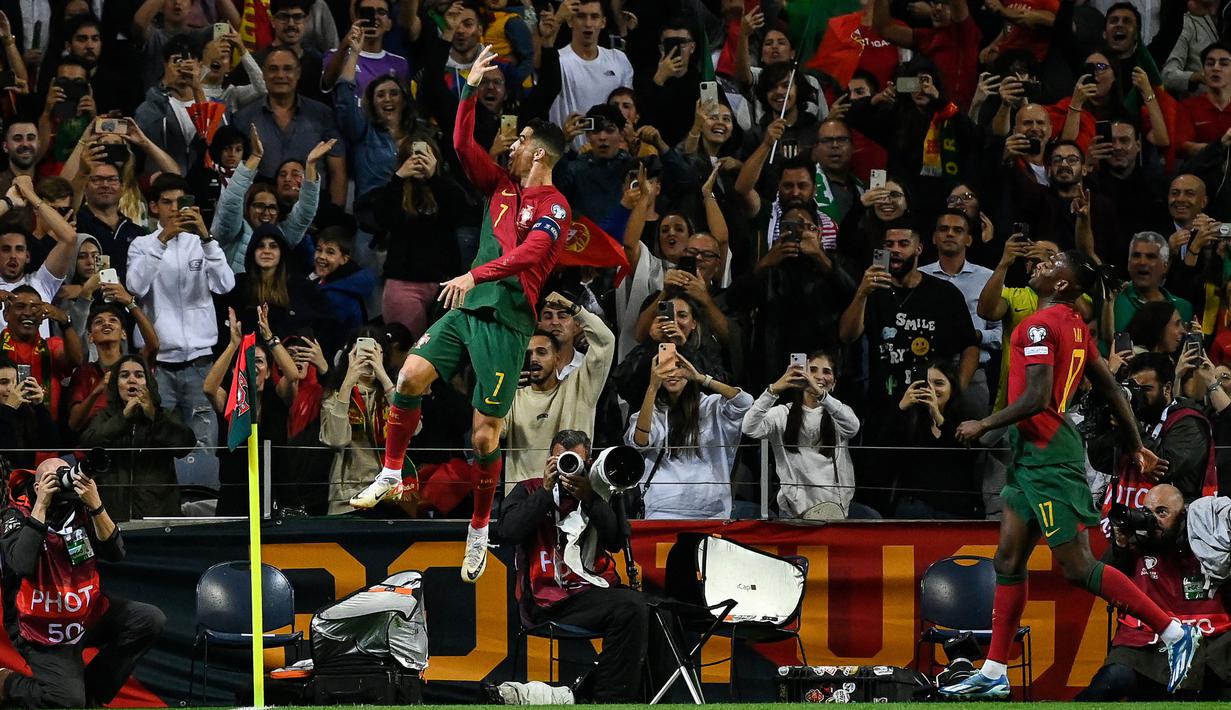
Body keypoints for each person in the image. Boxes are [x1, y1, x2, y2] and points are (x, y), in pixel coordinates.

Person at [939, 250, 1202, 698]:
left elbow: (1038, 397)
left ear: (1061, 285)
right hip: (1030, 455)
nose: (1043, 262)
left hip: (1048, 455)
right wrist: (1136, 445)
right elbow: (1110, 386)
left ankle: (1174, 632)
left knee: (1079, 567)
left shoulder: (1039, 326)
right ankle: (995, 671)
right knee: (1008, 561)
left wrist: (984, 423)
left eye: (1054, 262)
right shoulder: (1074, 325)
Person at [356, 46, 571, 583]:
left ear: (538, 153)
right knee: (409, 376)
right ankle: (390, 472)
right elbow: (459, 144)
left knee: (483, 438)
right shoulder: (500, 187)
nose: (511, 145)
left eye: (520, 141)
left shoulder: (555, 206)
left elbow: (531, 254)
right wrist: (468, 88)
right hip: (467, 309)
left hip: (507, 322)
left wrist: (476, 275)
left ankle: (478, 528)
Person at [494, 429, 670, 702]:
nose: (567, 469)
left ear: (588, 463)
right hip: (549, 600)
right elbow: (508, 532)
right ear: (548, 460)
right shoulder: (529, 489)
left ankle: (655, 699)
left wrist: (591, 498)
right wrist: (545, 492)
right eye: (560, 461)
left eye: (573, 461)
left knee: (661, 610)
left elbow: (615, 541)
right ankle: (610, 702)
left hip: (594, 591)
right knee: (630, 607)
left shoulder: (601, 490)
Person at [0, 457, 165, 707]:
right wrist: (41, 506)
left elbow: (116, 553)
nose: (64, 488)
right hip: (40, 626)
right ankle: (6, 684)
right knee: (66, 701)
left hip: (86, 613)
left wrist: (96, 505)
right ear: (37, 487)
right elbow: (21, 564)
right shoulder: (16, 513)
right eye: (55, 482)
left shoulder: (79, 507)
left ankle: (91, 696)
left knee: (148, 620)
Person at [1079, 485, 1231, 699]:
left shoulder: (1209, 542)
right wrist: (1120, 544)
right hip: (1145, 645)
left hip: (1211, 642)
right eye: (1147, 512)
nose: (1152, 520)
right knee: (1112, 679)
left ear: (1183, 515)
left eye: (1162, 512)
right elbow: (1104, 581)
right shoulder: (1134, 543)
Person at [126, 174, 236, 451]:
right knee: (156, 444)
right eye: (167, 202)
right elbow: (135, 287)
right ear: (154, 207)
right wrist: (163, 239)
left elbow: (225, 285)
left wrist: (207, 238)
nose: (175, 209)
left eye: (180, 202)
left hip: (201, 363)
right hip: (158, 365)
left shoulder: (202, 243)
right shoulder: (142, 244)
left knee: (204, 445)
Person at [502, 293, 614, 488]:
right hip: (523, 497)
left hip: (570, 492)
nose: (534, 359)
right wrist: (499, 391)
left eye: (541, 352)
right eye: (529, 354)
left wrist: (575, 309)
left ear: (557, 359)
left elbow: (605, 341)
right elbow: (489, 436)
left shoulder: (581, 386)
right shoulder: (512, 395)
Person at [627, 352, 753, 520]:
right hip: (662, 508)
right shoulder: (652, 412)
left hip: (711, 509)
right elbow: (640, 442)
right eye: (665, 368)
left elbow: (745, 403)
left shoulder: (712, 405)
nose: (672, 373)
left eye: (679, 367)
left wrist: (701, 378)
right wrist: (652, 387)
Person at [741, 352, 862, 519]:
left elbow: (853, 427)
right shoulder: (782, 414)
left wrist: (822, 395)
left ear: (834, 383)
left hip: (834, 511)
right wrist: (772, 390)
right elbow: (748, 427)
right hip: (793, 513)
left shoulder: (840, 413)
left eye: (826, 371)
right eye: (812, 370)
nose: (819, 376)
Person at [80, 355, 196, 520]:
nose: (132, 380)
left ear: (148, 383)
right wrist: (123, 417)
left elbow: (185, 444)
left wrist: (153, 416)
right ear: (116, 384)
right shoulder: (105, 417)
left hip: (158, 517)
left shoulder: (163, 415)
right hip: (112, 517)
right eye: (124, 375)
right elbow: (87, 444)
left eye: (139, 375)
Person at [0, 357, 56, 470]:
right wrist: (8, 409)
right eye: (4, 382)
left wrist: (39, 406)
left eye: (16, 382)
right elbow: (5, 450)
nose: (11, 389)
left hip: (23, 477)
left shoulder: (24, 411)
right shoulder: (10, 411)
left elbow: (51, 445)